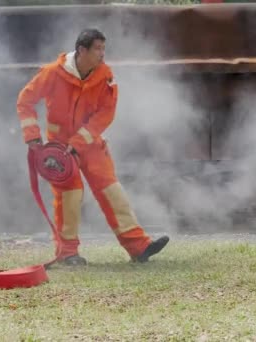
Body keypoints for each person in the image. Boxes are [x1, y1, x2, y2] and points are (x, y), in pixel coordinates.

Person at [16, 28, 169, 265]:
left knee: (112, 192)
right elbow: (25, 101)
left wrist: (78, 142)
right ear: (81, 50)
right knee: (70, 196)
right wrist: (33, 137)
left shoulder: (104, 76)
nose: (102, 54)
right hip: (59, 151)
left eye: (103, 48)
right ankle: (67, 253)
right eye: (97, 49)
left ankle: (139, 247)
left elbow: (106, 114)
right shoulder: (52, 74)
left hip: (90, 146)